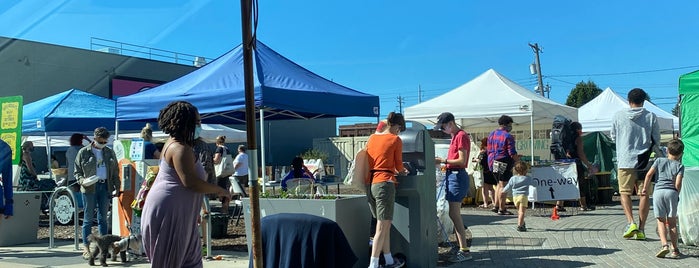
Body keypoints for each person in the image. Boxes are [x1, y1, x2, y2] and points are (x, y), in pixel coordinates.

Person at [141, 101, 229, 267]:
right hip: (171, 211)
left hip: (179, 210)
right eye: (197, 122)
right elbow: (191, 183)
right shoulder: (180, 148)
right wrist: (220, 190)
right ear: (184, 123)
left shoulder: (176, 145)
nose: (199, 126)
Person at [610, 88, 661, 240]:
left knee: (624, 192)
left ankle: (630, 222)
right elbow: (656, 139)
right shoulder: (651, 116)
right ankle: (642, 228)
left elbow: (613, 136)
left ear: (628, 100)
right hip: (644, 159)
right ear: (644, 100)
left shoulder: (618, 116)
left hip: (625, 158)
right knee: (643, 194)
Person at [366, 112, 407, 268]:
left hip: (370, 184)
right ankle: (373, 264)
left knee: (386, 224)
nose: (399, 132)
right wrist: (403, 171)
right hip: (385, 184)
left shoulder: (372, 138)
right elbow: (399, 166)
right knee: (381, 226)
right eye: (399, 128)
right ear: (397, 126)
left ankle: (389, 260)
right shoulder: (396, 140)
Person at [74, 127, 120, 259]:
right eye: (101, 141)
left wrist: (117, 187)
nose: (103, 144)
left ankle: (104, 246)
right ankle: (86, 247)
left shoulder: (109, 152)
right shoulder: (83, 152)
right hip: (89, 188)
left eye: (105, 142)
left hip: (105, 186)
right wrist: (82, 180)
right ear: (94, 139)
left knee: (103, 219)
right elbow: (76, 171)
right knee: (88, 219)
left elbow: (116, 172)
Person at [434, 112, 473, 262]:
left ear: (450, 123)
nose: (442, 130)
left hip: (457, 175)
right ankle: (462, 247)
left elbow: (462, 160)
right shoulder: (455, 136)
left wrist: (443, 160)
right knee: (453, 214)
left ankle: (464, 250)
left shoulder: (461, 136)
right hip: (453, 175)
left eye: (443, 127)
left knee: (454, 214)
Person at [641, 139, 684, 259]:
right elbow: (678, 183)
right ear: (681, 153)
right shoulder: (680, 166)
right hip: (671, 193)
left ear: (667, 151)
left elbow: (649, 175)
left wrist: (645, 188)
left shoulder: (659, 160)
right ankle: (675, 250)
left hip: (658, 192)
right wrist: (677, 193)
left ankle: (664, 245)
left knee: (660, 221)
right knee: (672, 223)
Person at [487, 115, 520, 216]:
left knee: (498, 184)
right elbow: (512, 152)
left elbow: (488, 148)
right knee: (503, 185)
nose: (511, 127)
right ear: (507, 124)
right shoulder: (508, 136)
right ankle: (502, 209)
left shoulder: (492, 134)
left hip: (492, 161)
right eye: (510, 124)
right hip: (503, 161)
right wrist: (518, 161)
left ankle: (496, 206)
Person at [502, 161, 533, 232]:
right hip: (523, 196)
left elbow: (508, 186)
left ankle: (522, 222)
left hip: (515, 197)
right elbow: (535, 184)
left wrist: (503, 191)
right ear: (526, 170)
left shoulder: (513, 178)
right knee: (522, 212)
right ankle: (520, 225)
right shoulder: (527, 178)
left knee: (519, 211)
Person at [212, 135, 232, 214]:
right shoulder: (226, 149)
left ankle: (224, 208)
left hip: (221, 172)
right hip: (226, 172)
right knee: (225, 189)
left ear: (217, 142)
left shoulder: (219, 149)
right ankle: (225, 207)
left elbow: (216, 160)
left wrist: (211, 159)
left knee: (220, 190)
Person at [475, 137, 496, 209]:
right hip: (491, 171)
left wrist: (476, 159)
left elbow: (481, 162)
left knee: (484, 189)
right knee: (491, 188)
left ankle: (485, 203)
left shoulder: (483, 153)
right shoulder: (493, 151)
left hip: (485, 172)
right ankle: (494, 202)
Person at [0, 139, 13, 223]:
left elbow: (7, 177)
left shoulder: (4, 148)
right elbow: (7, 178)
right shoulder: (4, 148)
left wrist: (9, 203)